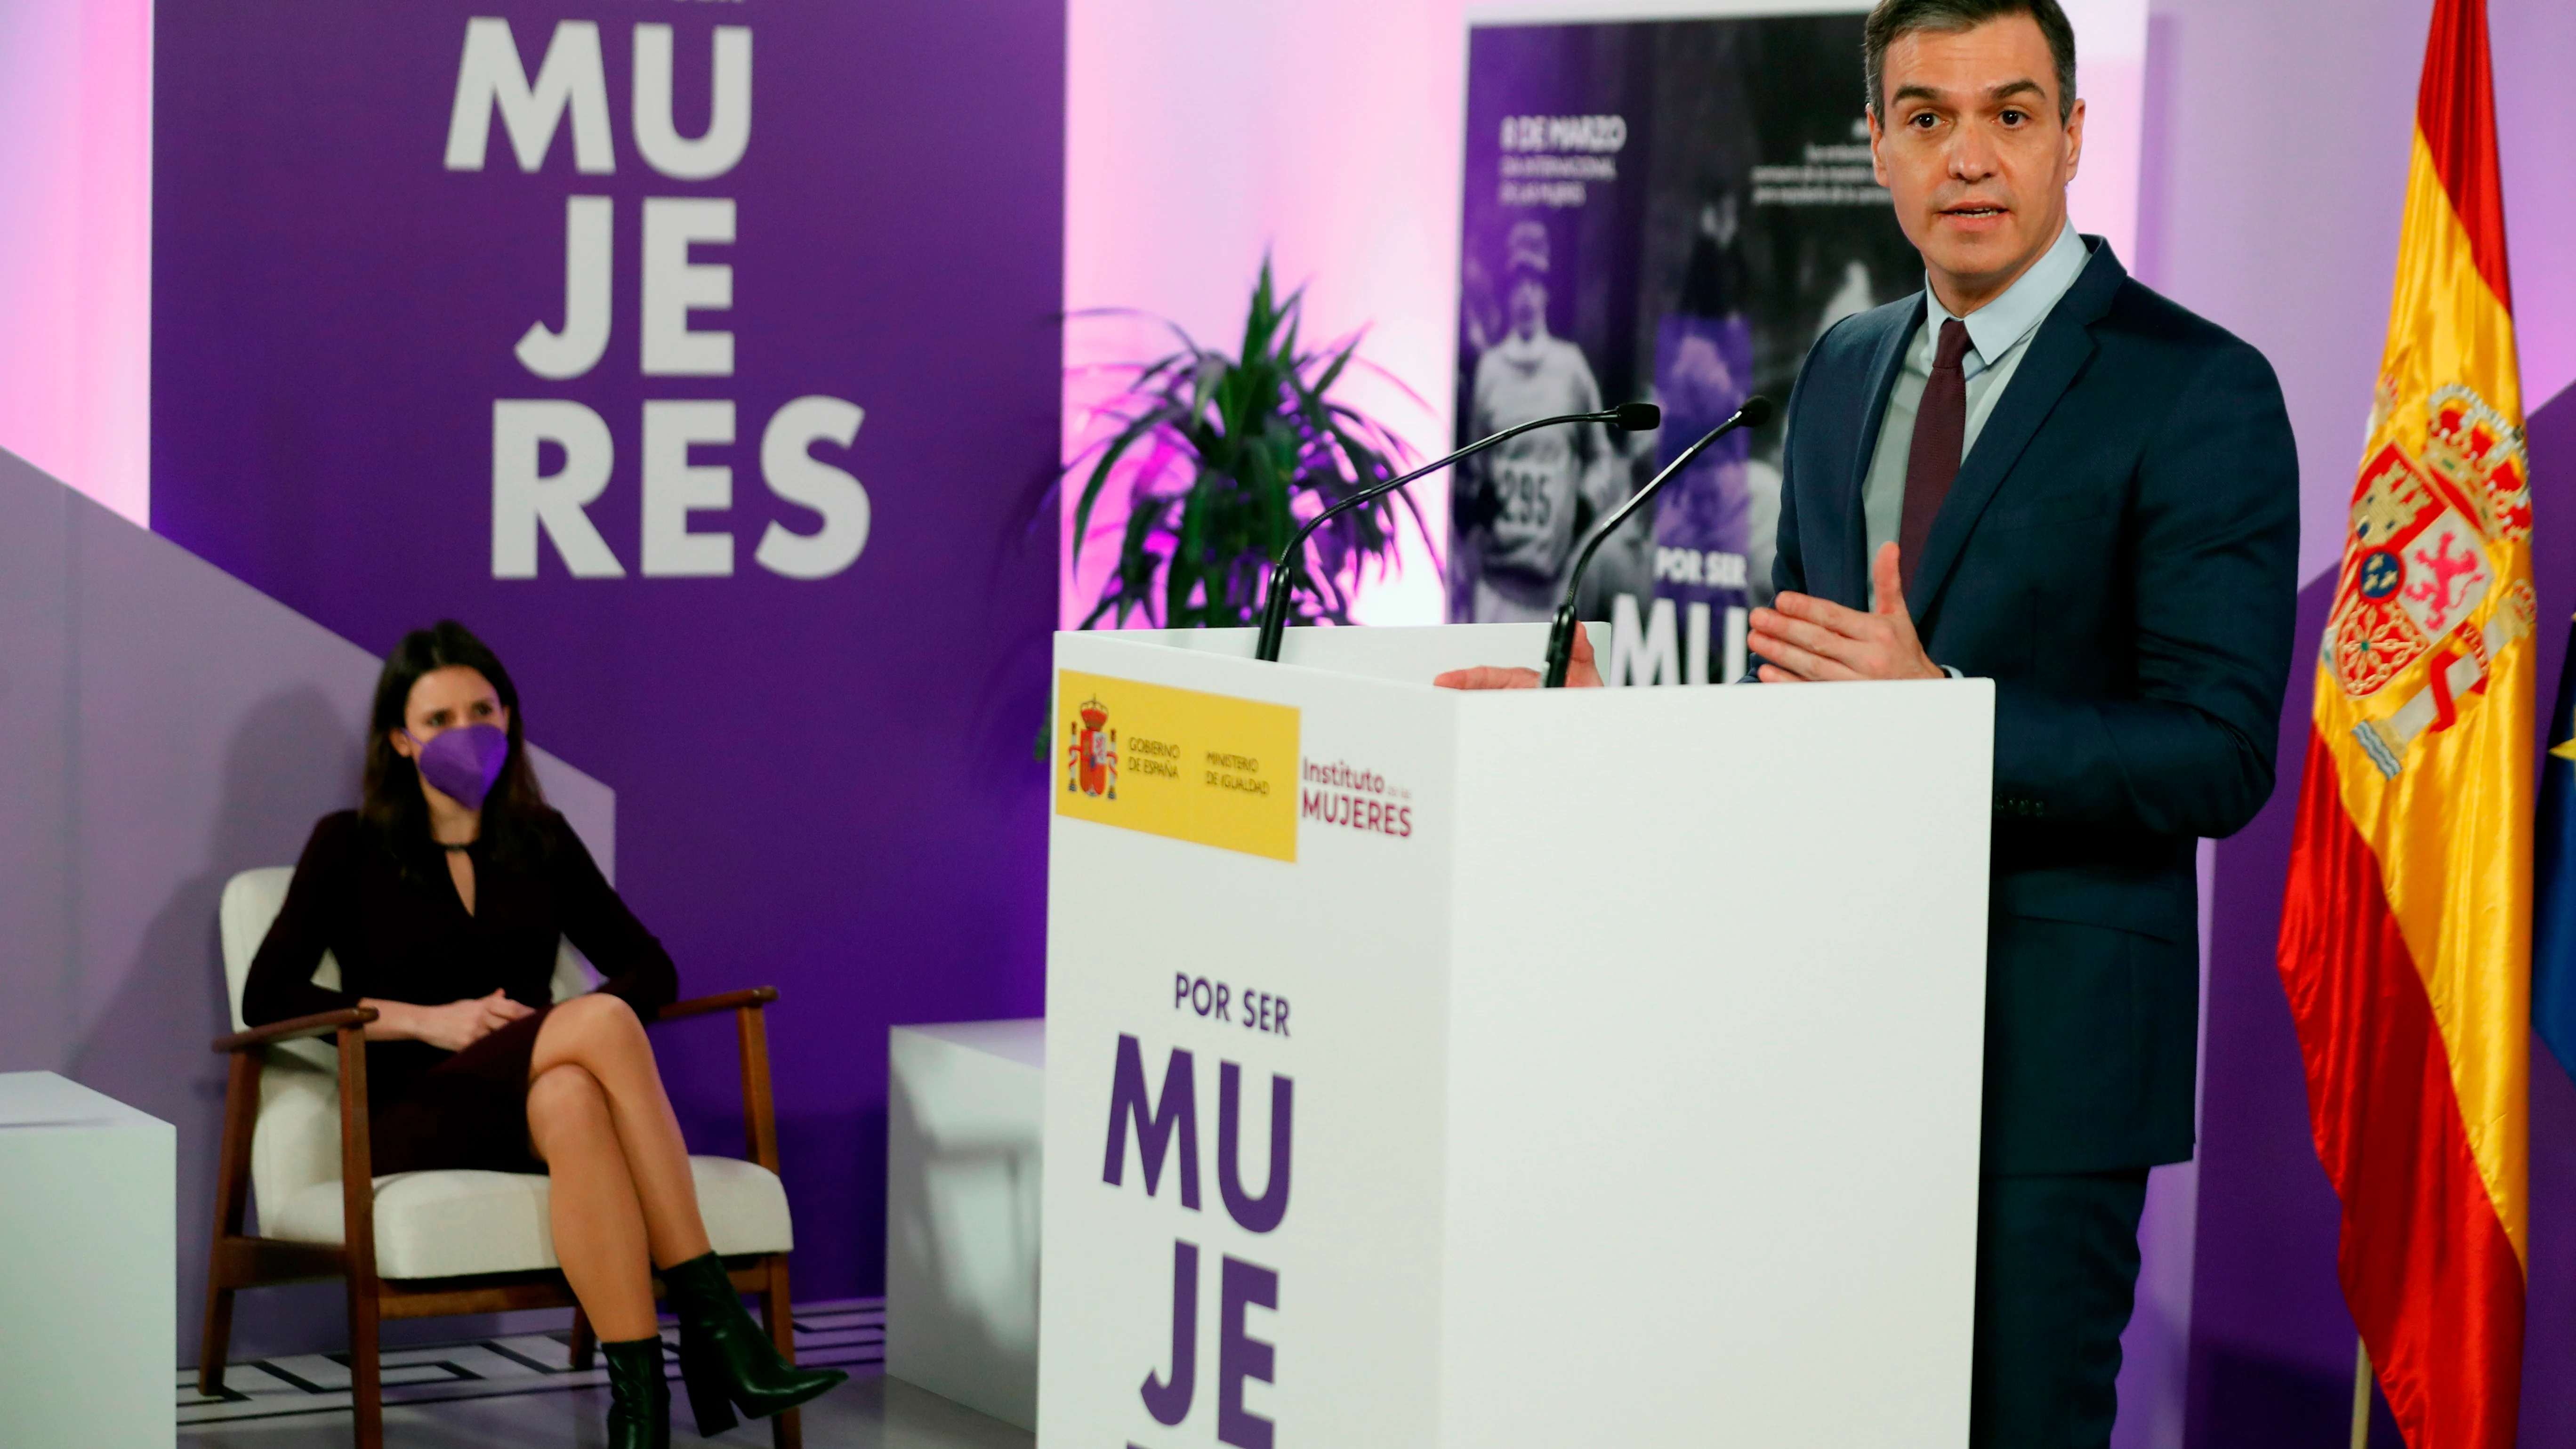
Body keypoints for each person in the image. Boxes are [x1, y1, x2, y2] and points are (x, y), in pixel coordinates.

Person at [1436, 1, 2300, 1443]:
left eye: (2011, 116)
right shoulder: (1843, 369)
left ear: (2075, 136)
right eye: (1928, 119)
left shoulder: (2198, 386)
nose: (1970, 157)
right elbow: (1805, 691)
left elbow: (2216, 751)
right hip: (1828, 1026)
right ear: (1878, 150)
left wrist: (1946, 718)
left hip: (2052, 1063)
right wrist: (1617, 729)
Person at [242, 621, 844, 1449]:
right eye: (440, 718)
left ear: (510, 716)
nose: (467, 732)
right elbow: (266, 992)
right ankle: (717, 1330)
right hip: (416, 1107)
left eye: (482, 709)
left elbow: (650, 965)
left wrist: (554, 1029)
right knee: (594, 1022)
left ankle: (638, 1411)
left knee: (571, 1087)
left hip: (524, 1101)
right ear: (401, 739)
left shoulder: (542, 839)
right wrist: (426, 1018)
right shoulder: (347, 842)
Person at [1463, 218, 1622, 622]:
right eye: (1517, 286)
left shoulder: (1571, 369)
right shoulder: (1491, 370)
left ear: (1547, 292)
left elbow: (1601, 457)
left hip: (1555, 588)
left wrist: (1585, 504)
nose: (1526, 298)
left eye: (1534, 285)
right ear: (1507, 294)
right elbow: (1474, 463)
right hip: (1496, 586)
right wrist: (1479, 497)